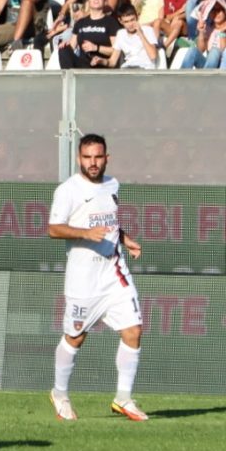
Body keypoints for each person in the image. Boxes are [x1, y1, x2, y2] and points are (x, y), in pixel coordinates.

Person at [47, 133, 147, 423]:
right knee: (75, 337)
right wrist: (84, 234)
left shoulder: (113, 185)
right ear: (79, 158)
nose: (93, 163)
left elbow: (109, 222)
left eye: (98, 157)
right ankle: (60, 394)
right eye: (87, 157)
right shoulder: (68, 190)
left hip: (114, 273)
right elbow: (54, 229)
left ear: (106, 158)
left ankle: (123, 398)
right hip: (83, 280)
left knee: (133, 331)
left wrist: (126, 239)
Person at [57, 0, 118, 68]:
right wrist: (64, 45)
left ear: (105, 1)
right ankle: (69, 79)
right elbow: (72, 46)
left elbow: (116, 51)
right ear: (88, 1)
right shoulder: (80, 23)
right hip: (83, 64)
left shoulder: (111, 22)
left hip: (101, 63)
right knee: (63, 50)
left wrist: (96, 48)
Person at [101, 3, 159, 68]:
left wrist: (141, 34)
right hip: (128, 68)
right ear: (120, 21)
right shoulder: (121, 34)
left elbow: (153, 56)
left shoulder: (148, 30)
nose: (130, 24)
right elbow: (112, 62)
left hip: (145, 68)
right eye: (126, 21)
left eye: (132, 20)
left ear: (137, 17)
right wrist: (101, 61)